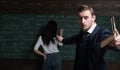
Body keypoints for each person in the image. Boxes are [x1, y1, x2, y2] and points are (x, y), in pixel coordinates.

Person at [56, 5, 120, 70]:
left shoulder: (102, 33)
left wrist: (118, 43)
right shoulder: (82, 32)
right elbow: (74, 39)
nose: (82, 21)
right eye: (80, 18)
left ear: (93, 18)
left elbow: (110, 42)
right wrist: (62, 40)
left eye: (86, 17)